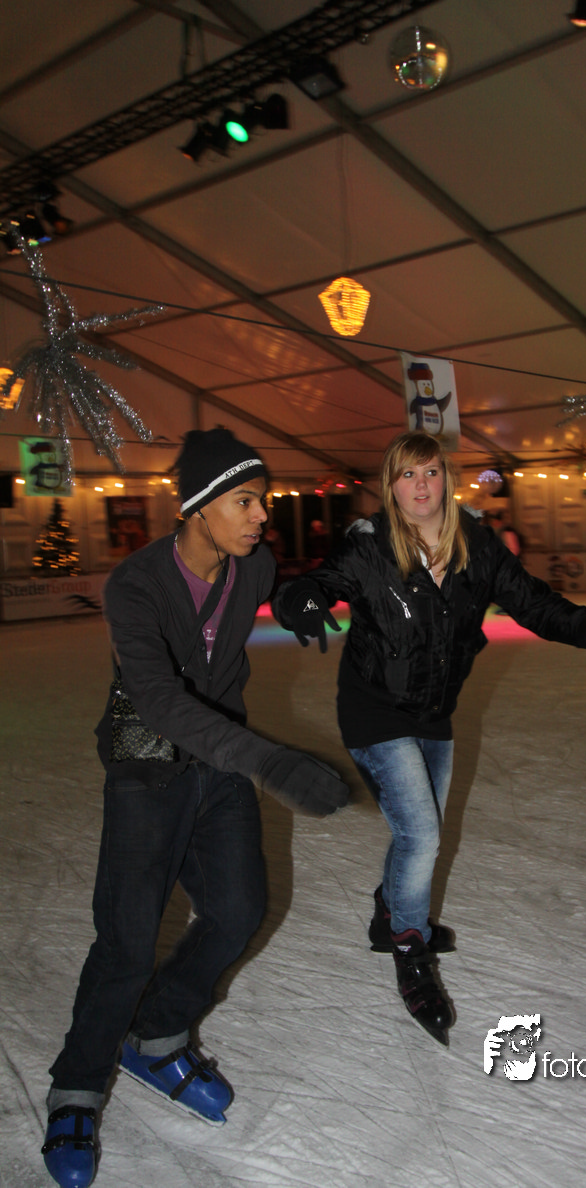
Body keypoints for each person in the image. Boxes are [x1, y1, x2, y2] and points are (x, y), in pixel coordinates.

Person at [42, 428, 349, 1188]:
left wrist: (298, 595)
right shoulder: (135, 586)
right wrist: (269, 760)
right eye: (245, 502)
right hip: (146, 765)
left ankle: (157, 1037)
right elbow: (156, 699)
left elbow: (273, 593)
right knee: (127, 940)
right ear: (198, 507)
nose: (261, 516)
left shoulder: (256, 565)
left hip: (219, 762)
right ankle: (76, 1087)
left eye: (262, 501)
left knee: (238, 910)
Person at [272, 431, 586, 1047]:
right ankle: (411, 949)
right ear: (391, 485)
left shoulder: (476, 546)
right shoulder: (371, 546)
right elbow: (320, 582)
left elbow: (529, 600)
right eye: (407, 474)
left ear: (446, 480)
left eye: (430, 472)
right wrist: (298, 598)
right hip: (373, 710)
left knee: (417, 832)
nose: (421, 485)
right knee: (422, 834)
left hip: (434, 712)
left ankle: (390, 910)